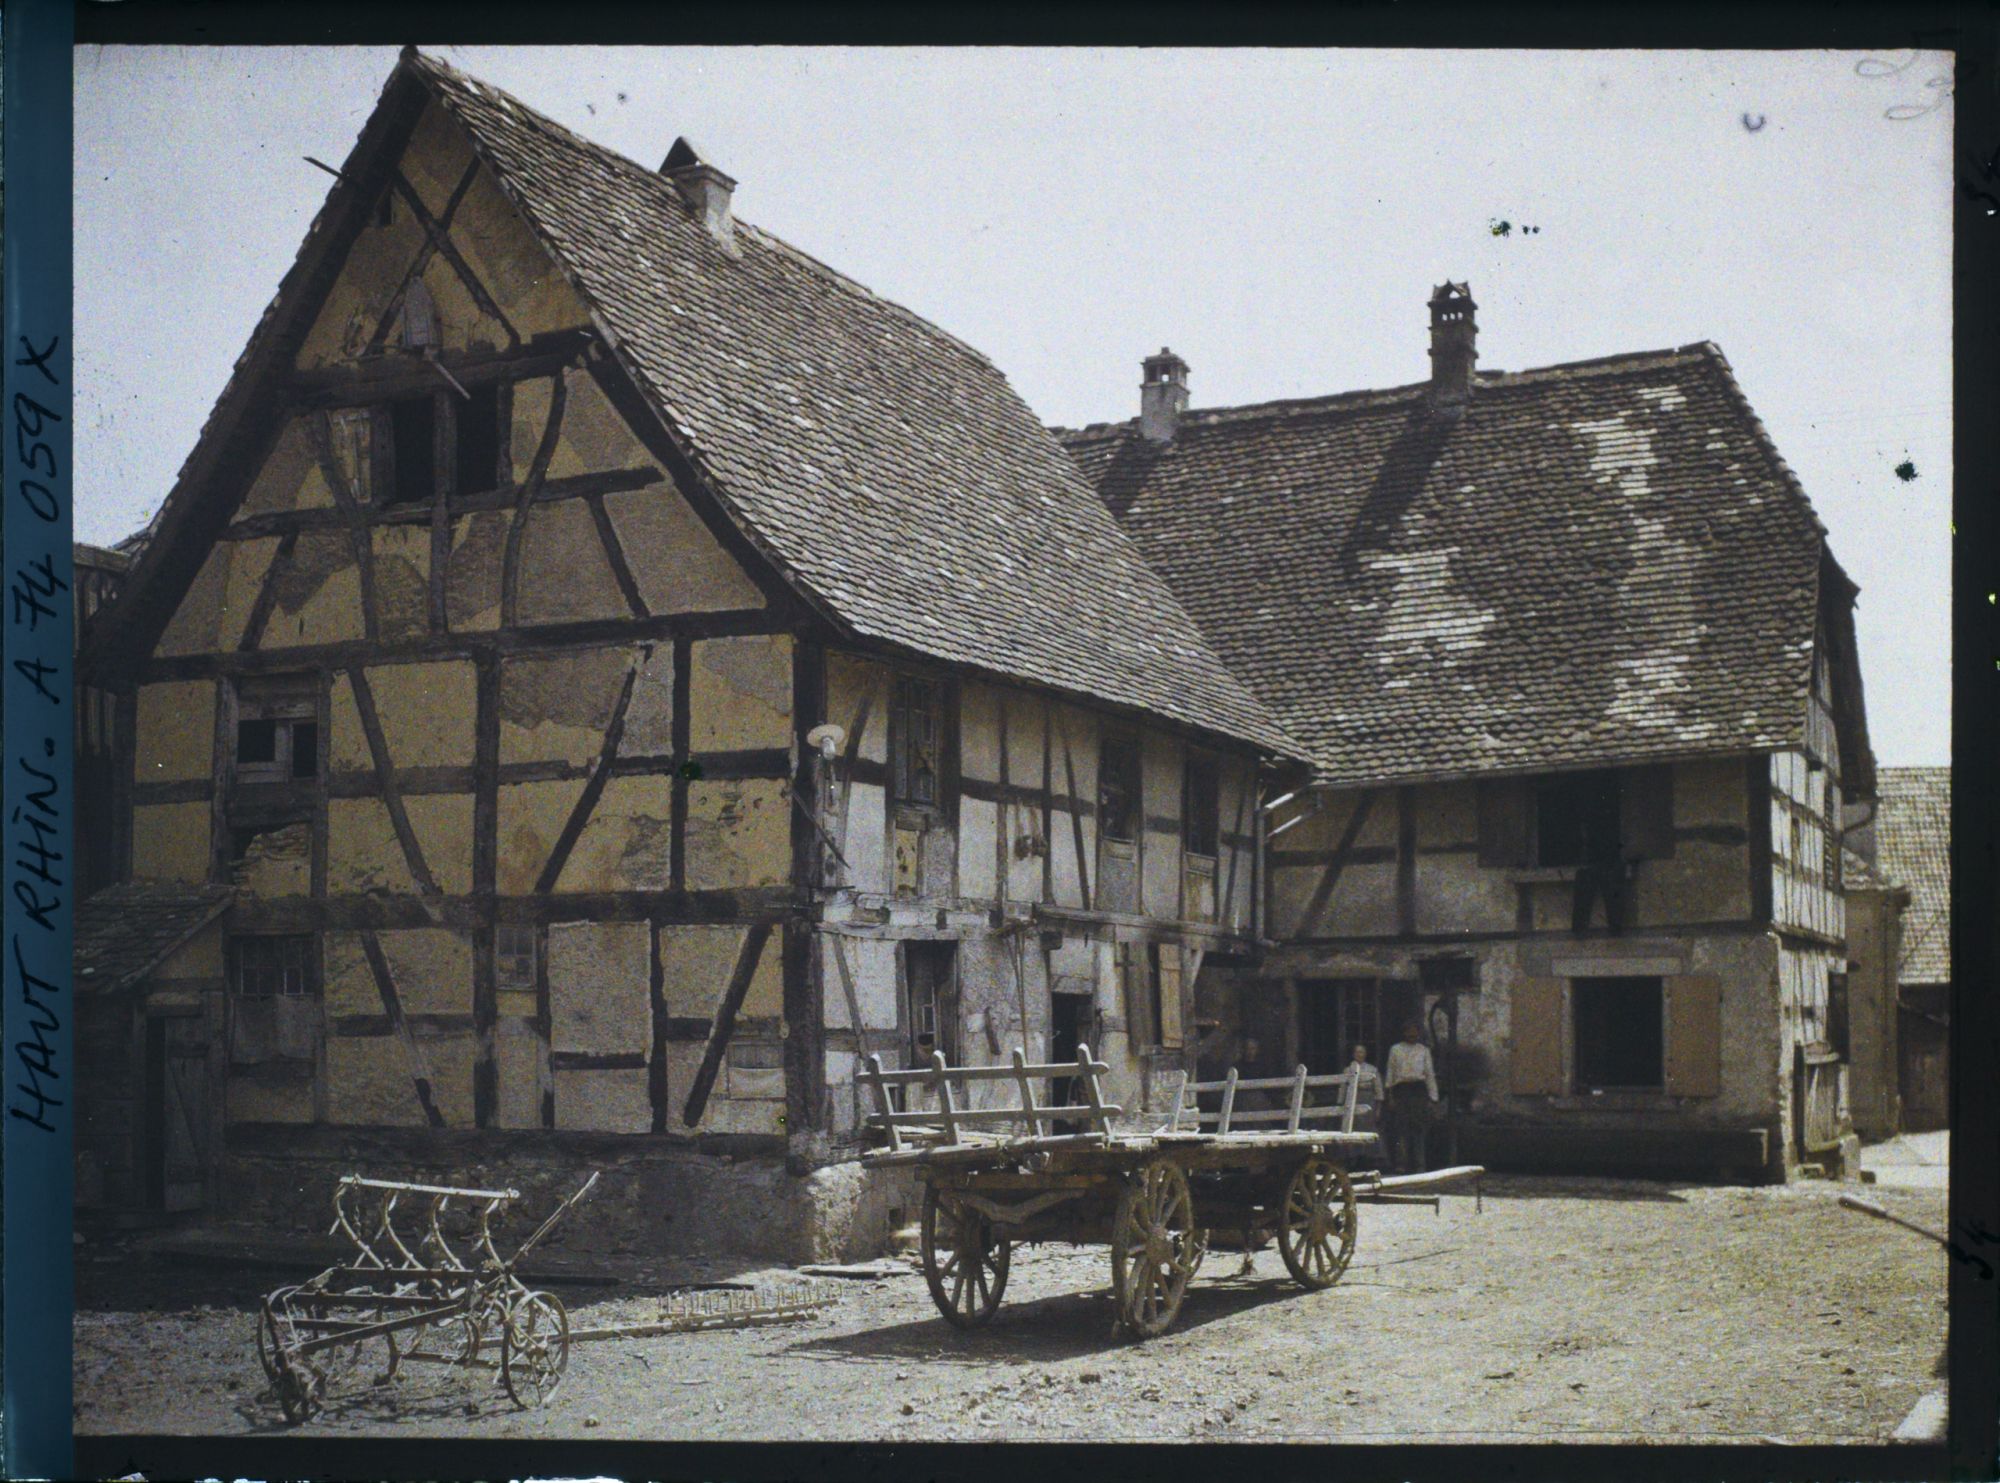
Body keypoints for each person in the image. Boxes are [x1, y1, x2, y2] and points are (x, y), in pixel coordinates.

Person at [1383, 1019, 1439, 1173]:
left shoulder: (1423, 1051)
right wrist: (1390, 1095)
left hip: (1418, 1091)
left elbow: (1429, 1074)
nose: (1412, 1034)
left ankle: (1420, 1165)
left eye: (1415, 1032)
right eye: (1409, 1031)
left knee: (1418, 1128)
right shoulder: (1395, 1050)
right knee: (1401, 1128)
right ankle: (1401, 1164)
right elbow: (1390, 1072)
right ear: (1404, 1033)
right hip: (1401, 1091)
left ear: (1418, 1034)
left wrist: (1433, 1098)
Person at [1345, 1043, 1384, 1132]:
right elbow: (1343, 1089)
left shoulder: (1372, 1069)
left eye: (1361, 1052)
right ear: (1353, 1054)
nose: (1359, 1055)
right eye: (1357, 1052)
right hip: (1353, 1100)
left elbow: (1379, 1091)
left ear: (1365, 1054)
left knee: (1368, 1125)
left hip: (1368, 1099)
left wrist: (1378, 1109)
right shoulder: (1347, 1070)